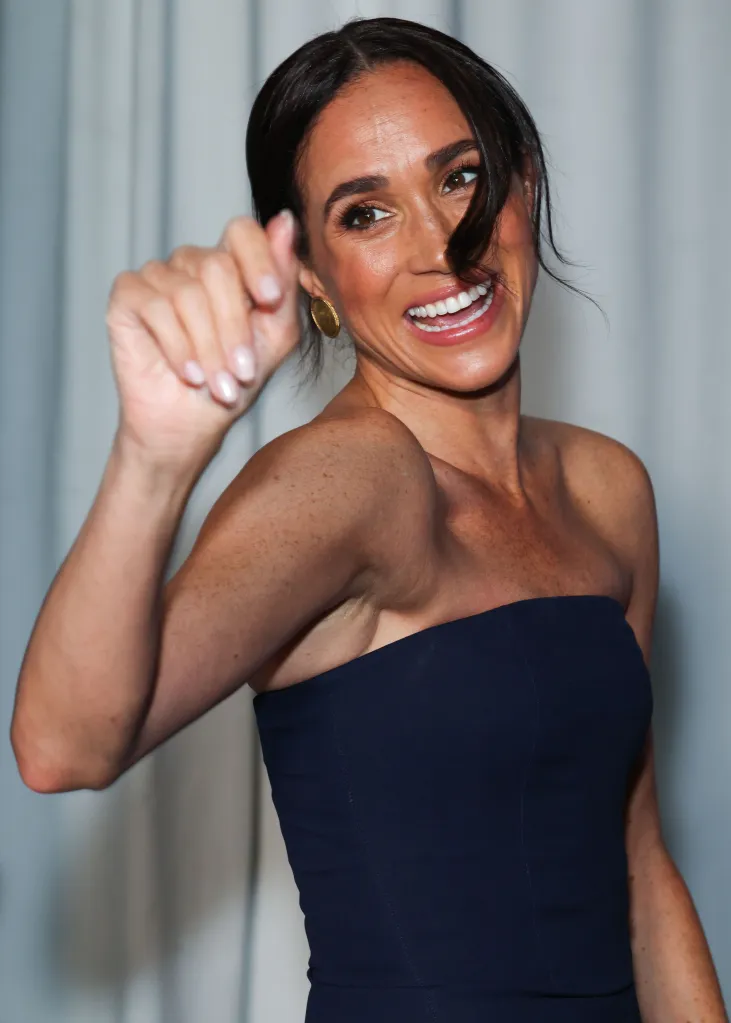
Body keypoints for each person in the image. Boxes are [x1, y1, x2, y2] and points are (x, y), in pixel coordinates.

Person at [10, 16, 727, 1023]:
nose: (437, 248)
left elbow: (637, 859)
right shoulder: (351, 481)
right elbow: (62, 747)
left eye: (458, 177)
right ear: (310, 275)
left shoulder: (605, 487)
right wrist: (154, 460)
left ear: (521, 182)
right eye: (364, 214)